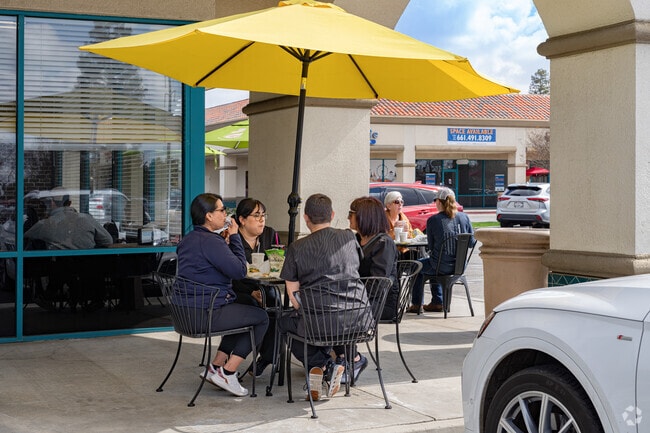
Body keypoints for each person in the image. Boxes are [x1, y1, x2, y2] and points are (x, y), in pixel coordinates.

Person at [176, 193, 269, 397]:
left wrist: (225, 245)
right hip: (203, 314)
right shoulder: (211, 241)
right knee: (261, 318)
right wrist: (235, 237)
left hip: (184, 314)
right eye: (221, 210)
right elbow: (239, 271)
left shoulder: (190, 239)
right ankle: (228, 372)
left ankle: (215, 367)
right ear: (209, 216)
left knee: (243, 311)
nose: (226, 214)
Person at [279, 193, 361, 401]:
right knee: (315, 322)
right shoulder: (349, 237)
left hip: (320, 321)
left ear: (305, 218)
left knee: (284, 322)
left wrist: (305, 312)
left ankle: (321, 365)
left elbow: (294, 295)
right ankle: (325, 367)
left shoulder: (297, 248)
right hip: (357, 318)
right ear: (332, 215)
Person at [340, 196, 399, 384]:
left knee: (341, 313)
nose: (348, 217)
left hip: (381, 302)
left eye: (352, 213)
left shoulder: (383, 244)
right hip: (357, 298)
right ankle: (337, 356)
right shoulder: (355, 239)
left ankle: (353, 359)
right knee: (327, 309)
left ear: (364, 216)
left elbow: (378, 284)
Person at [24, 189, 114, 311]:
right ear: (70, 203)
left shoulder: (45, 224)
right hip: (88, 271)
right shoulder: (86, 219)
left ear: (52, 203)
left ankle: (48, 295)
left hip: (62, 271)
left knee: (60, 265)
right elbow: (108, 240)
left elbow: (25, 238)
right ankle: (96, 300)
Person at [231, 198, 281, 377]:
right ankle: (260, 357)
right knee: (255, 305)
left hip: (265, 287)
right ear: (242, 220)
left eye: (263, 215)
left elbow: (278, 264)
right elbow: (230, 274)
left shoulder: (270, 234)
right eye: (256, 215)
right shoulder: (232, 239)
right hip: (239, 290)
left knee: (275, 304)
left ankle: (266, 357)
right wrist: (250, 291)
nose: (262, 220)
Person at [408, 187, 475, 314]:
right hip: (460, 267)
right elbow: (471, 243)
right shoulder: (464, 218)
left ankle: (417, 304)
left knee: (417, 266)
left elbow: (431, 247)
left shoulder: (434, 220)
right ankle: (437, 302)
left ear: (438, 202)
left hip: (440, 266)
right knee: (434, 262)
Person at [383, 191, 413, 257]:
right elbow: (382, 239)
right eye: (397, 202)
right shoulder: (383, 218)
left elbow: (410, 236)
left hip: (403, 251)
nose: (400, 204)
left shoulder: (403, 218)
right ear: (389, 206)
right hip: (388, 253)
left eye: (401, 202)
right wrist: (393, 231)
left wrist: (407, 232)